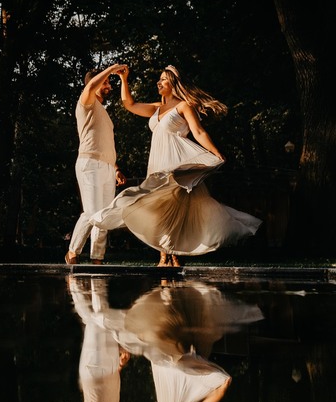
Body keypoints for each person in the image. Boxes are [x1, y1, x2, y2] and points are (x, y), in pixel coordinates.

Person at [91, 65, 261, 266]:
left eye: (163, 79)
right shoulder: (156, 108)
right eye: (159, 79)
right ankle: (167, 255)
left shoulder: (183, 106)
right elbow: (129, 104)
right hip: (157, 164)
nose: (159, 82)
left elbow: (198, 132)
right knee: (157, 207)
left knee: (175, 207)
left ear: (173, 84)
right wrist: (124, 79)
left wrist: (216, 152)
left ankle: (170, 255)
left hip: (175, 163)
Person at [69, 276, 140, 402]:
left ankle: (94, 274)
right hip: (110, 367)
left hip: (93, 369)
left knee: (99, 319)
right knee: (95, 321)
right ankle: (75, 282)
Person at [66, 65, 127, 265]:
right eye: (106, 82)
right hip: (89, 163)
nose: (109, 86)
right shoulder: (86, 102)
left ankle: (97, 258)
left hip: (107, 166)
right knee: (92, 213)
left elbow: (105, 144)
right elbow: (91, 85)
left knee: (104, 216)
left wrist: (116, 169)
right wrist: (113, 68)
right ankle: (72, 252)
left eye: (109, 82)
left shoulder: (104, 114)